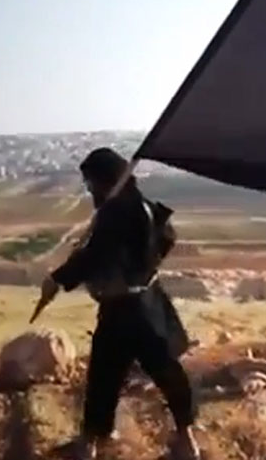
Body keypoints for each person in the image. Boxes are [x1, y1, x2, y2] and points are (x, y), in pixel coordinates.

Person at [39, 147, 200, 460]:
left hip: (121, 311)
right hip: (149, 304)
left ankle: (89, 444)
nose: (90, 190)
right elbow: (167, 236)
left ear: (105, 180)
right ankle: (186, 442)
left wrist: (58, 278)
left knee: (104, 376)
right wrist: (145, 264)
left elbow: (94, 257)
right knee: (167, 372)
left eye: (91, 183)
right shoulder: (143, 206)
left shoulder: (114, 212)